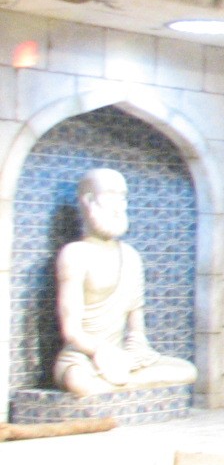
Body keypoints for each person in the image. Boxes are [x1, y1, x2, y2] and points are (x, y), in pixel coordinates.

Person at [54, 167, 197, 396]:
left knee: (187, 371)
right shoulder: (75, 254)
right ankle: (111, 384)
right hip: (83, 358)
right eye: (111, 195)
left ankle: (115, 384)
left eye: (123, 197)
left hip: (121, 359)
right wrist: (101, 352)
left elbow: (135, 330)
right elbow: (71, 330)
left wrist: (136, 353)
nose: (120, 205)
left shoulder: (130, 256)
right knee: (78, 381)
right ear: (89, 201)